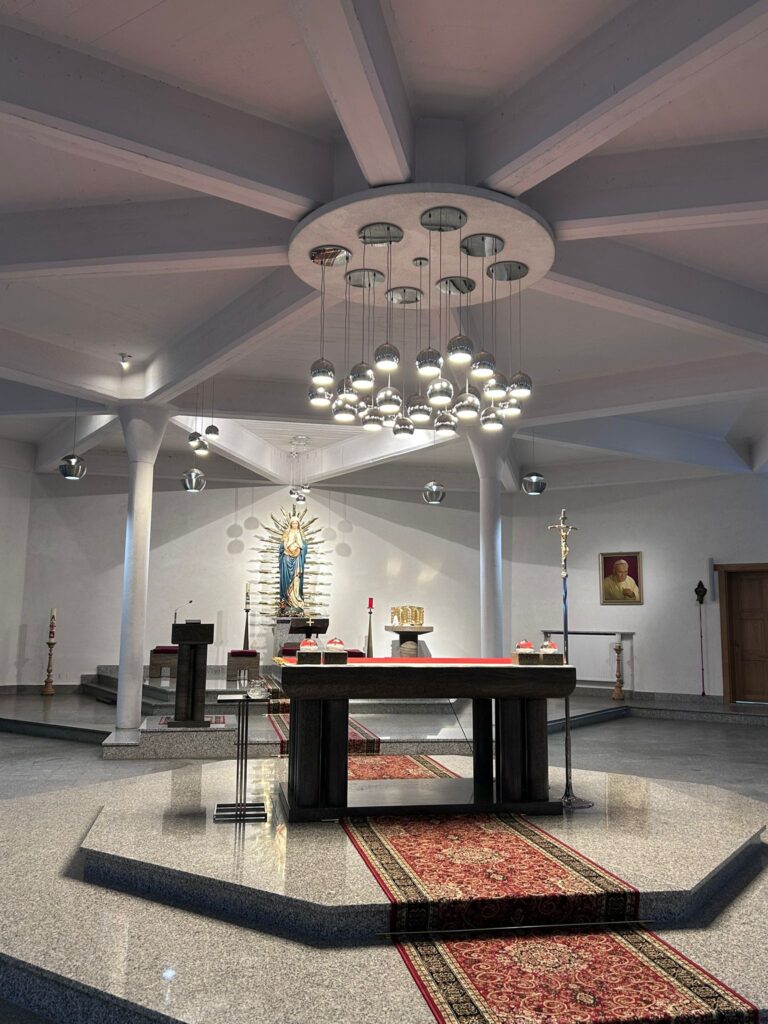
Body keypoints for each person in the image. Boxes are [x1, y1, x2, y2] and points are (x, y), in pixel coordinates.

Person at [279, 517, 307, 612]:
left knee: (297, 578)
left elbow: (304, 547)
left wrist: (299, 544)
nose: (295, 525)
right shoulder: (287, 533)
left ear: (298, 524)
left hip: (297, 558)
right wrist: (290, 543)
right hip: (287, 558)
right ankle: (287, 601)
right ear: (290, 524)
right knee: (286, 579)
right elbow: (281, 546)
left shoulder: (300, 533)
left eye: (296, 523)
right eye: (293, 523)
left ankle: (296, 601)